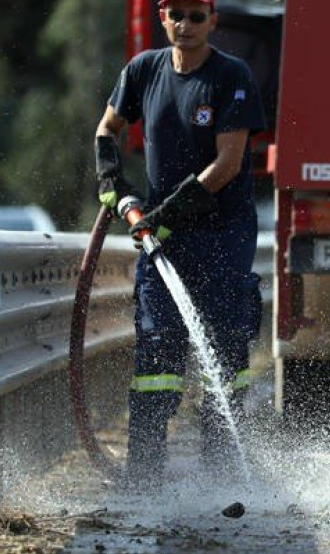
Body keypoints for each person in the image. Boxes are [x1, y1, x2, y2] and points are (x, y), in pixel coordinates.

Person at [94, 0, 265, 486]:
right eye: (176, 15)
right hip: (161, 238)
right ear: (161, 16)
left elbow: (227, 163)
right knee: (156, 348)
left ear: (212, 20)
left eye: (196, 16)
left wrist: (164, 216)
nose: (185, 26)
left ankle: (225, 472)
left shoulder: (231, 77)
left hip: (221, 233)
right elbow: (108, 128)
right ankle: (144, 474)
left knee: (224, 348)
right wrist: (111, 181)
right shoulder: (144, 70)